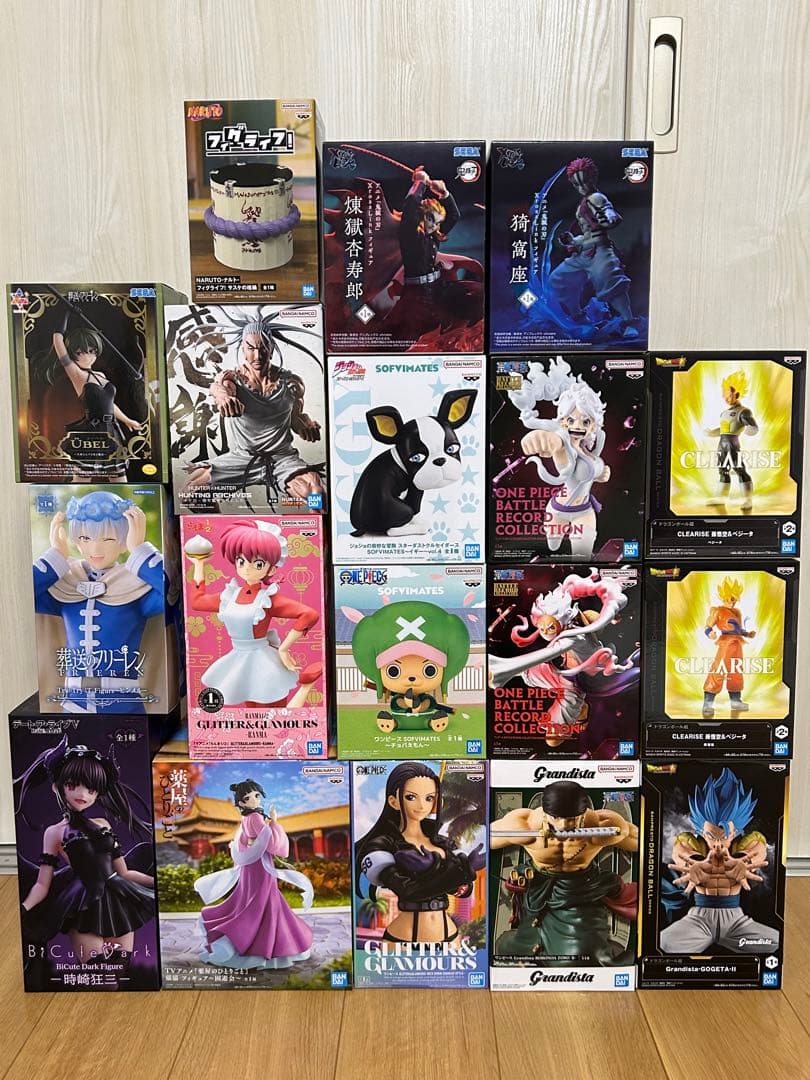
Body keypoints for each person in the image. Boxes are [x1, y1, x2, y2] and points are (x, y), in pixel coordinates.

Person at [16, 738, 155, 966]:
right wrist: (23, 908)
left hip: (118, 899)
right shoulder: (54, 832)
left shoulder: (103, 824)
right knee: (98, 971)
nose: (83, 794)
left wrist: (158, 884)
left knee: (120, 969)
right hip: (83, 903)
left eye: (91, 789)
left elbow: (125, 872)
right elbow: (42, 884)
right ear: (57, 786)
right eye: (73, 785)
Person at [33, 490, 167, 713]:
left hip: (123, 706)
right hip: (73, 704)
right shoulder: (67, 585)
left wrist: (140, 550)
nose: (95, 548)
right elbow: (22, 594)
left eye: (108, 539)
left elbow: (175, 593)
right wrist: (56, 556)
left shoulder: (136, 588)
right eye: (85, 538)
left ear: (123, 541)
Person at [490, 780, 638, 964]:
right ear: (546, 814)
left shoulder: (601, 825)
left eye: (571, 819)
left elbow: (641, 841)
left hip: (579, 891)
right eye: (556, 818)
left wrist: (620, 832)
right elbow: (485, 839)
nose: (563, 825)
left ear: (583, 814)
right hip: (539, 889)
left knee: (582, 957)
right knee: (513, 949)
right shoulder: (525, 826)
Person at [182, 315, 323, 504]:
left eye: (263, 348)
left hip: (282, 458)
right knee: (190, 494)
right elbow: (218, 388)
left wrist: (307, 426)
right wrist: (224, 398)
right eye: (251, 348)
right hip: (243, 458)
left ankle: (314, 522)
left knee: (316, 494)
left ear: (271, 348)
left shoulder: (292, 383)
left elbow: (296, 418)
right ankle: (224, 524)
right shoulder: (233, 378)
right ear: (243, 348)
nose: (257, 356)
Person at [188, 519, 321, 708]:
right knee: (250, 711)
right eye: (241, 561)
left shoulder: (267, 599)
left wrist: (284, 648)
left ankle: (306, 688)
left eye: (258, 564)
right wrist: (199, 564)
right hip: (239, 658)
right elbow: (198, 601)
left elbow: (309, 614)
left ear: (272, 568)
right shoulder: (230, 596)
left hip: (263, 660)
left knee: (273, 708)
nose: (247, 568)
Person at [355, 762, 484, 945]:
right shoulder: (382, 845)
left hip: (451, 938)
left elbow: (463, 890)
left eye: (429, 798)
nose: (422, 805)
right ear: (393, 801)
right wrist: (461, 870)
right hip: (403, 941)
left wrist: (455, 878)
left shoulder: (441, 842)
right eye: (411, 797)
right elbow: (409, 891)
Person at [194, 779, 314, 970]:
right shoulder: (256, 818)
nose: (255, 800)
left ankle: (246, 942)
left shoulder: (246, 819)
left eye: (257, 795)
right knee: (262, 903)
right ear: (241, 802)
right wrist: (274, 822)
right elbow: (273, 844)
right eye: (249, 797)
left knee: (253, 901)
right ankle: (248, 943)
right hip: (260, 867)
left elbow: (244, 842)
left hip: (250, 866)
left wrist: (255, 840)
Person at [661, 768, 778, 955]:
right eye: (711, 835)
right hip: (698, 920)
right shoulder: (692, 843)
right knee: (664, 943)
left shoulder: (745, 844)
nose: (717, 843)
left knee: (775, 943)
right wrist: (691, 865)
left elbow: (758, 847)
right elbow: (680, 851)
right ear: (701, 829)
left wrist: (744, 863)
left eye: (724, 836)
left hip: (737, 922)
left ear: (735, 831)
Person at [508, 356, 609, 558]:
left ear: (594, 423)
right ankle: (511, 375)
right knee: (552, 547)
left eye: (585, 421)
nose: (577, 426)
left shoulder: (594, 445)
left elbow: (588, 475)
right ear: (562, 421)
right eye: (570, 420)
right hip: (557, 511)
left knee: (582, 556)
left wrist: (601, 474)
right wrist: (545, 440)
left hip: (584, 510)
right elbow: (556, 444)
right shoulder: (562, 442)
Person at [548, 157, 635, 329]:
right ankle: (578, 316)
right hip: (583, 253)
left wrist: (610, 217)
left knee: (611, 282)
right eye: (577, 184)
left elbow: (608, 212)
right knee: (559, 279)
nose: (582, 187)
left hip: (600, 251)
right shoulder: (583, 203)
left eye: (585, 181)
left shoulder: (596, 197)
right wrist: (573, 240)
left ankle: (629, 323)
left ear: (593, 178)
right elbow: (587, 234)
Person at [51, 318, 143, 481]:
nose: (88, 356)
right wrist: (66, 314)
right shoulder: (77, 374)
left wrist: (127, 420)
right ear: (73, 354)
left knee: (119, 477)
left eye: (92, 351)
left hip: (110, 431)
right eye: (80, 352)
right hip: (91, 432)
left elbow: (109, 404)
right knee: (82, 479)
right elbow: (58, 341)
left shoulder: (101, 375)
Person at [704, 369, 759, 510]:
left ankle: (748, 500)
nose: (725, 398)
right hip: (722, 444)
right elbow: (723, 430)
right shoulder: (724, 413)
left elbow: (753, 426)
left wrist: (750, 430)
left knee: (740, 470)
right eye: (724, 395)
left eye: (728, 395)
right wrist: (711, 433)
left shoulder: (744, 411)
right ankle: (720, 498)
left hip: (733, 444)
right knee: (723, 471)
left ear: (737, 394)